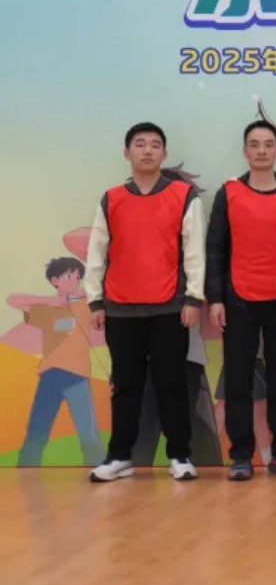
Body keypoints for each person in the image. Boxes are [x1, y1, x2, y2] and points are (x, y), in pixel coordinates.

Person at [85, 121, 205, 483]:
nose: (148, 150)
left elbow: (194, 251)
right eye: (140, 144)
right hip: (120, 309)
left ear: (164, 153)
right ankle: (120, 456)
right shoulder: (111, 198)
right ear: (127, 153)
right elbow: (96, 252)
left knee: (171, 383)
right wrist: (95, 301)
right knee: (125, 385)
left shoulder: (183, 196)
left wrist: (193, 297)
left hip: (170, 307)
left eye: (155, 144)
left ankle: (180, 455)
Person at [207, 120, 276, 480]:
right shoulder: (229, 193)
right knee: (238, 380)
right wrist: (215, 298)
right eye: (254, 144)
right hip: (239, 300)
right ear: (245, 151)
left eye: (268, 144)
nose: (262, 150)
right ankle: (240, 455)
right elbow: (215, 248)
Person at [7, 256, 106, 467]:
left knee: (88, 433)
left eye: (77, 277)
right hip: (51, 375)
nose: (74, 281)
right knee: (37, 431)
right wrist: (50, 301)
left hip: (77, 376)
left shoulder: (85, 305)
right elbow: (12, 300)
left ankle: (98, 470)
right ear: (55, 281)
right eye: (68, 276)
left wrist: (83, 294)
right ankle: (25, 473)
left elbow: (102, 294)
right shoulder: (46, 309)